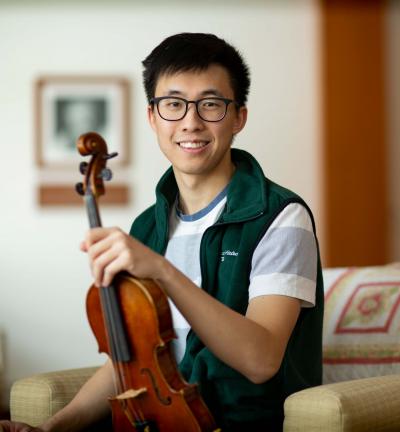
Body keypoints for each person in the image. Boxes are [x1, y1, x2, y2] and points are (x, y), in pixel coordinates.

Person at [1, 32, 323, 432]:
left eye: (210, 104)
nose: (191, 122)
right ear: (153, 117)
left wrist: (162, 271)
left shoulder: (279, 216)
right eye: (173, 104)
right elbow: (134, 360)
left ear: (239, 116)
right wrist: (53, 427)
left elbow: (261, 361)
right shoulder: (148, 227)